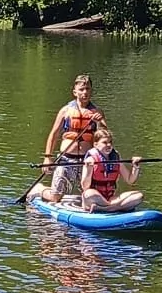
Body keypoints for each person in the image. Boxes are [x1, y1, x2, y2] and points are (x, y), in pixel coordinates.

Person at [31, 74, 106, 202]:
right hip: (66, 159)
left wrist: (99, 122)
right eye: (81, 89)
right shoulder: (65, 110)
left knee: (92, 196)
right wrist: (48, 157)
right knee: (55, 197)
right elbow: (53, 135)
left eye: (88, 89)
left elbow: (105, 137)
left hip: (87, 161)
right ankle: (39, 190)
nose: (85, 92)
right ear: (75, 92)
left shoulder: (97, 112)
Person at [79, 125, 145, 213]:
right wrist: (89, 169)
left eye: (110, 142)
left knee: (138, 196)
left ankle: (106, 208)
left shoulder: (116, 159)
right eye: (105, 142)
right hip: (95, 198)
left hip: (110, 199)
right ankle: (117, 207)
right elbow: (85, 186)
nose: (109, 145)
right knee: (89, 194)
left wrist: (135, 166)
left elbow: (130, 180)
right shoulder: (90, 160)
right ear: (95, 144)